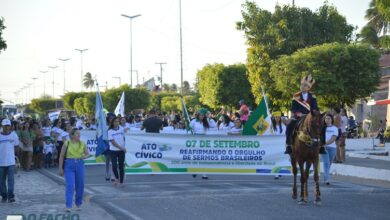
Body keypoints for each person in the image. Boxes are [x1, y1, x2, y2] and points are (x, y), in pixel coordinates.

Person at [284, 75, 326, 155]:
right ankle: (288, 145)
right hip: (299, 116)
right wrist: (298, 113)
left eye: (305, 85)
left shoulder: (313, 96)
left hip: (310, 116)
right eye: (302, 85)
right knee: (289, 126)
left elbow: (315, 107)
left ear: (308, 88)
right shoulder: (296, 96)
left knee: (322, 126)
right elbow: (293, 108)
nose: (302, 87)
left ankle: (322, 146)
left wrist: (314, 112)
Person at [58, 128, 89, 212]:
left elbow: (87, 154)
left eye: (79, 134)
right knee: (70, 185)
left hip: (79, 164)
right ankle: (68, 205)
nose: (79, 135)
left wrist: (84, 156)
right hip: (69, 165)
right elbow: (61, 156)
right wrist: (60, 168)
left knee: (80, 185)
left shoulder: (82, 143)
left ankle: (78, 203)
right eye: (77, 134)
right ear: (72, 135)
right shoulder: (66, 143)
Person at [0, 119, 20, 203]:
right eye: (5, 125)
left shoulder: (14, 135)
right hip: (0, 162)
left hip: (11, 162)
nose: (7, 127)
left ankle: (11, 196)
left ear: (10, 126)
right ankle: (4, 196)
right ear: (2, 126)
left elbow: (16, 147)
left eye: (8, 125)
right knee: (1, 181)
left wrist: (16, 159)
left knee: (11, 180)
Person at [190, 108, 210, 179]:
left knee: (204, 157)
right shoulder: (193, 121)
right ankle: (195, 171)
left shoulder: (206, 121)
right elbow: (189, 129)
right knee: (196, 157)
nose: (201, 116)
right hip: (195, 140)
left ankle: (204, 174)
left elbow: (212, 127)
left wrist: (208, 117)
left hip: (204, 140)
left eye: (203, 115)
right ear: (198, 115)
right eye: (200, 115)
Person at [108, 116, 128, 187]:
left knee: (121, 166)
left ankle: (121, 182)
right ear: (112, 123)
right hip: (113, 151)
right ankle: (117, 178)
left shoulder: (122, 129)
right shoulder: (109, 131)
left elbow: (128, 136)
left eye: (117, 121)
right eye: (115, 121)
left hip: (121, 151)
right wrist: (121, 148)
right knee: (114, 165)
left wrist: (128, 130)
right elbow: (113, 142)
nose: (117, 123)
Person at [321, 113, 338, 185]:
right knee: (326, 163)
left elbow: (333, 138)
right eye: (326, 118)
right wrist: (322, 145)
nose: (327, 120)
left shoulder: (335, 128)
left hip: (332, 148)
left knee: (329, 163)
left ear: (332, 120)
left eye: (329, 118)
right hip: (323, 148)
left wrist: (325, 143)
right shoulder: (321, 128)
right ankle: (327, 180)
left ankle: (325, 177)